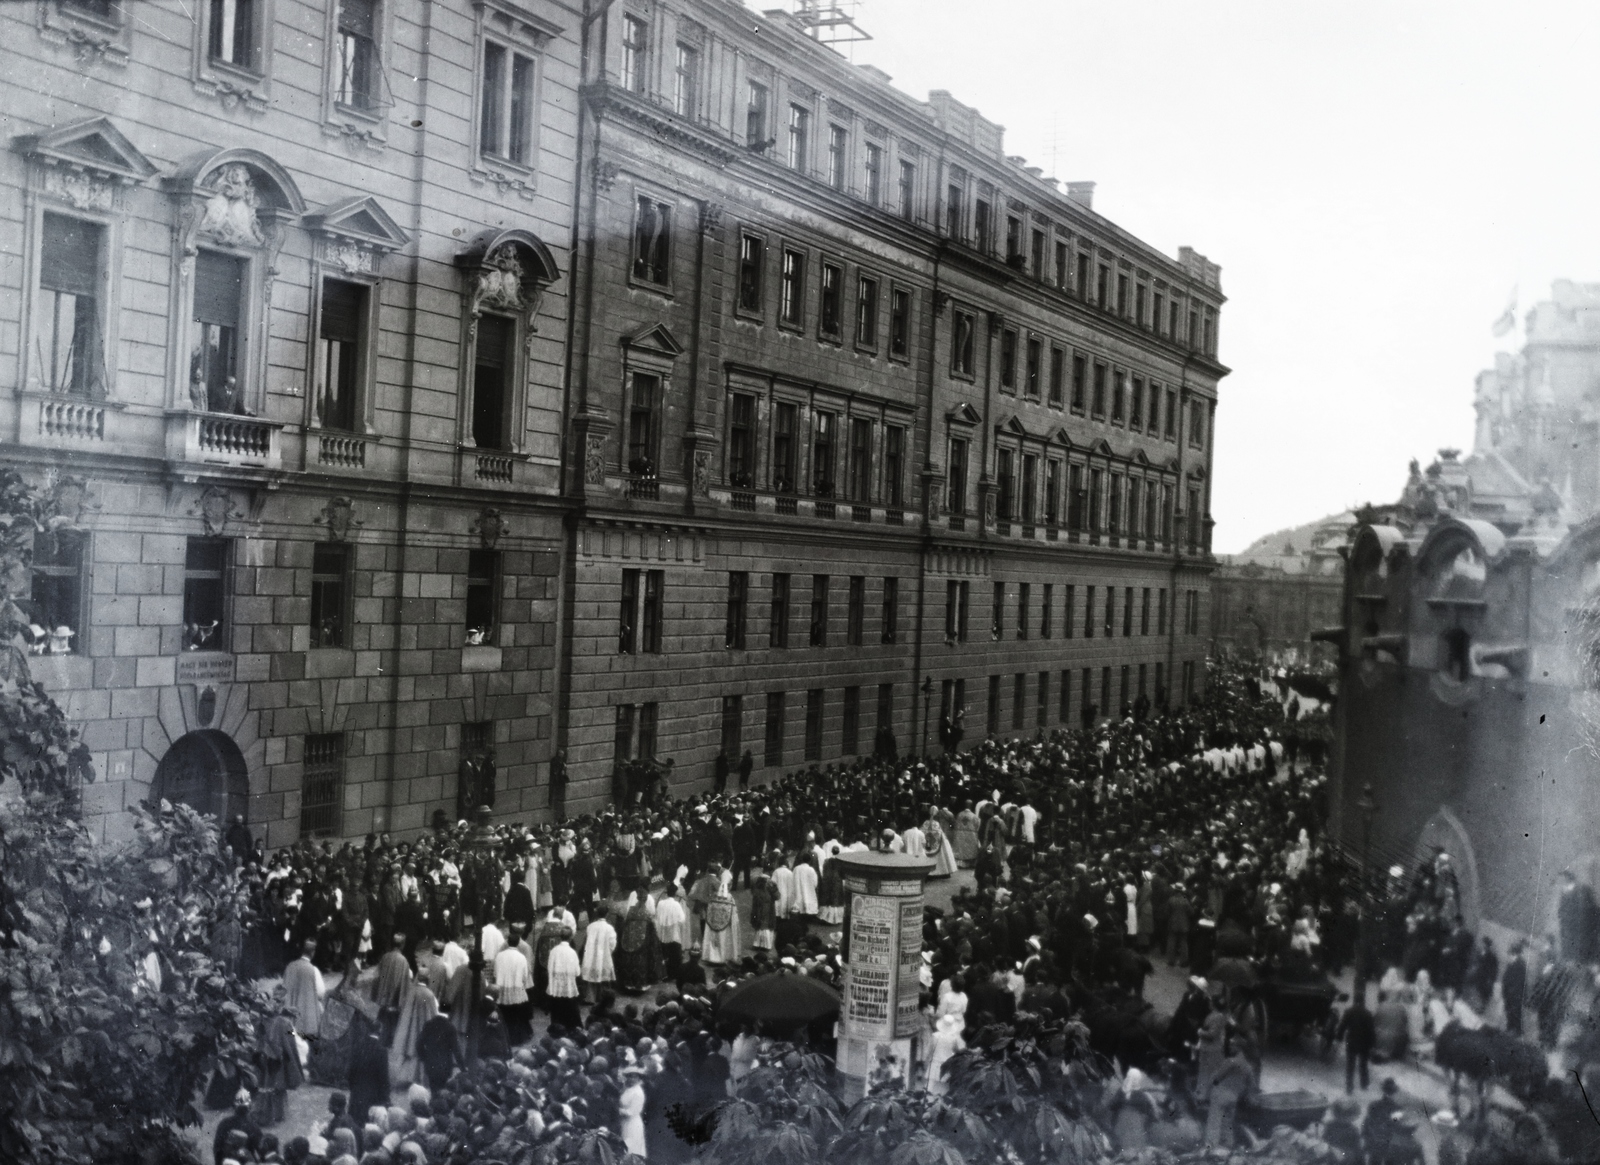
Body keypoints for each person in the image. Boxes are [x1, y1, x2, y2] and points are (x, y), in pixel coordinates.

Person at [1205, 1044, 1254, 1148]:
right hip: (1233, 1097)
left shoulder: (1231, 1061)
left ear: (1240, 1049)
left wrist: (1208, 1091)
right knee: (1227, 1123)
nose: (1231, 1047)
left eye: (1233, 1046)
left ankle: (1211, 1147)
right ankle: (1228, 1145)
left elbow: (1217, 1078)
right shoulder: (1248, 1067)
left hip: (1221, 1093)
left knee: (1214, 1122)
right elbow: (1250, 1086)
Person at [282, 940, 326, 1040]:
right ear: (313, 953)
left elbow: (283, 988)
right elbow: (321, 993)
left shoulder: (290, 966)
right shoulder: (313, 969)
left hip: (290, 1016)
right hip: (306, 1018)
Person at [493, 936, 533, 1045]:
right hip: (516, 990)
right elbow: (525, 976)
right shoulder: (521, 957)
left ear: (507, 942)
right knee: (516, 1016)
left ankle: (503, 1038)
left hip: (502, 990)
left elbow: (495, 973)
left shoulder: (499, 956)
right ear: (518, 943)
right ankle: (516, 1039)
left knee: (504, 1016)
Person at [1335, 992, 1376, 1093]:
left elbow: (1342, 1026)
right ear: (1363, 1002)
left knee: (1350, 1065)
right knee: (1363, 1064)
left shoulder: (1349, 1011)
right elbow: (1371, 1031)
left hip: (1352, 1041)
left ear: (1354, 1001)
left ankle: (1349, 1087)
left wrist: (1339, 1038)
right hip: (1364, 1043)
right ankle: (1364, 1084)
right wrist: (1372, 1044)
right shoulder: (1368, 1013)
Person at [416, 1006, 461, 1091]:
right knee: (441, 1090)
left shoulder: (428, 1024)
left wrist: (423, 1057)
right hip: (445, 1066)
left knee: (432, 1088)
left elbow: (419, 1043)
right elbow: (456, 1050)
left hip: (430, 1064)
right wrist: (462, 1067)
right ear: (449, 1012)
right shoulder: (451, 1027)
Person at [546, 927, 582, 1030]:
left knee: (557, 1009)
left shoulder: (554, 951)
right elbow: (577, 972)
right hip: (568, 987)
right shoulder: (572, 952)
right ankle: (570, 1027)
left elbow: (549, 968)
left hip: (556, 987)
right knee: (569, 1009)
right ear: (570, 937)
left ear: (559, 937)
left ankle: (556, 1028)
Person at [215, 1088, 262, 1165]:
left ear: (234, 1106)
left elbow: (217, 1148)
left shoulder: (224, 1123)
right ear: (249, 1107)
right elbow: (260, 1150)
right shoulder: (254, 1127)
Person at [581, 902, 618, 999]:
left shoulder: (590, 926)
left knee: (591, 975)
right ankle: (603, 997)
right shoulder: (609, 928)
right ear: (607, 914)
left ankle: (590, 997)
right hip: (604, 955)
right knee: (604, 977)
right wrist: (608, 952)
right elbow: (612, 944)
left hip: (590, 955)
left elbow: (586, 940)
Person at [925, 1011, 965, 1094]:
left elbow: (930, 1050)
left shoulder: (935, 1036)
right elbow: (956, 1050)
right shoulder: (954, 1038)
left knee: (929, 1085)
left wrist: (927, 1061)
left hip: (934, 1062)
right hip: (946, 1064)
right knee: (943, 1087)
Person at [655, 883, 687, 980]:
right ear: (675, 894)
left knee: (664, 955)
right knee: (675, 956)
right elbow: (682, 919)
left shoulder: (660, 903)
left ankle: (664, 974)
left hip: (662, 933)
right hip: (673, 934)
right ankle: (674, 975)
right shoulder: (676, 904)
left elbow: (657, 917)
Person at [618, 1065, 648, 1157]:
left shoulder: (638, 1092)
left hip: (632, 1124)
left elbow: (631, 1112)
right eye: (629, 1076)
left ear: (639, 1078)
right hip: (624, 1123)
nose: (631, 1079)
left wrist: (618, 1110)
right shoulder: (627, 1089)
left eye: (634, 1077)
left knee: (631, 1150)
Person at [1503, 942, 1528, 1036]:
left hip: (1516, 992)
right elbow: (1507, 975)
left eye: (1511, 953)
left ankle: (1518, 1031)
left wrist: (1513, 991)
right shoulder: (1512, 962)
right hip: (1508, 991)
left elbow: (1520, 980)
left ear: (1516, 953)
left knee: (1516, 1011)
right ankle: (1510, 1027)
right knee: (1508, 1009)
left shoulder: (1521, 964)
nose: (1510, 955)